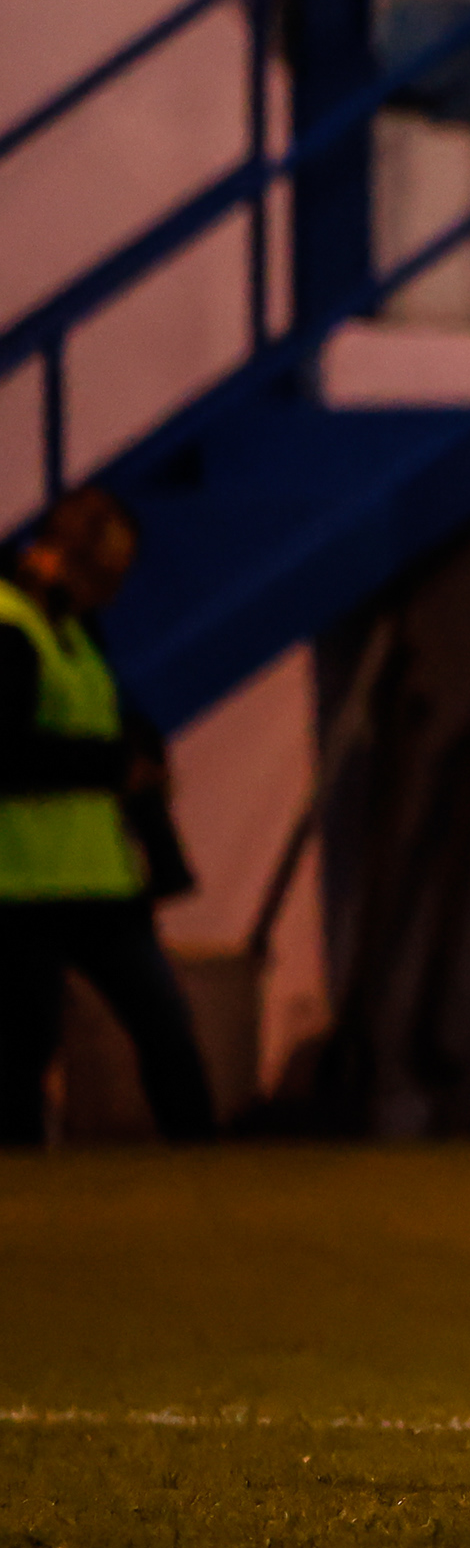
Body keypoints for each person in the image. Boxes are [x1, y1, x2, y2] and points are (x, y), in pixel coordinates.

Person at [1, 488, 216, 1146]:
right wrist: (111, 767)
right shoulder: (10, 628)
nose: (112, 594)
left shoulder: (70, 626)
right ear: (62, 557)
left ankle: (206, 1162)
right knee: (23, 1047)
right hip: (20, 882)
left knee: (165, 1026)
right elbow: (6, 753)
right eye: (104, 577)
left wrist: (136, 748)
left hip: (97, 876)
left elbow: (98, 712)